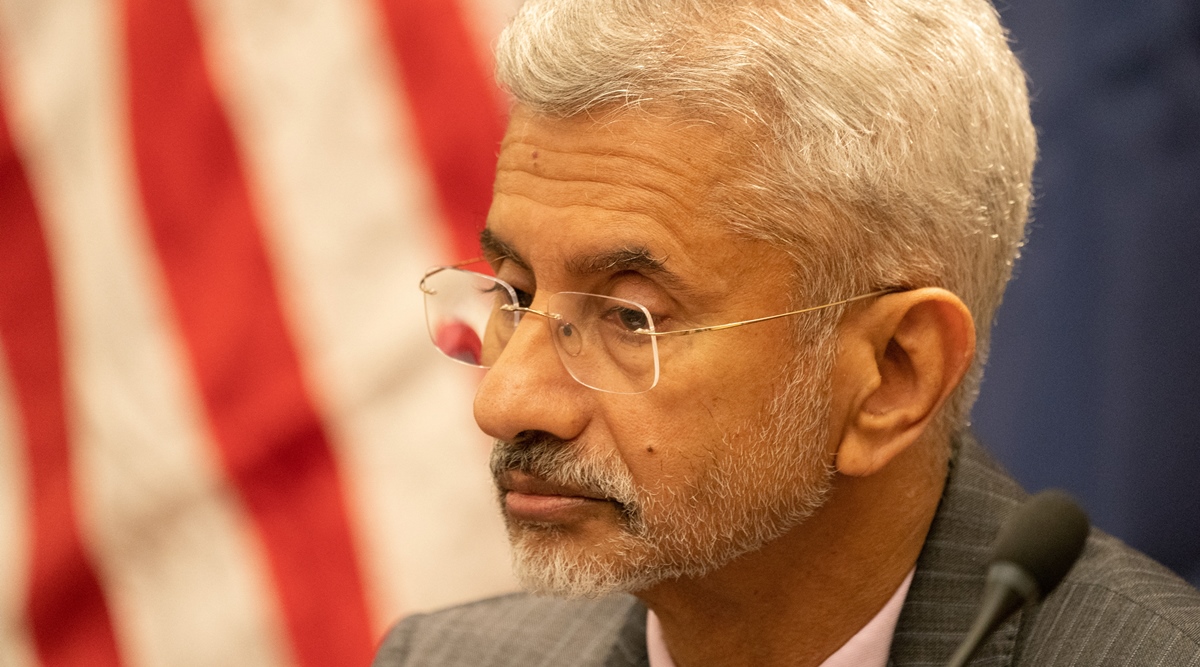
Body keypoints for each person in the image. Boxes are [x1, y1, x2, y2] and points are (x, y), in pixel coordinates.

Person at [375, 0, 1200, 665]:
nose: (505, 397)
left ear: (893, 373)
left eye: (630, 317)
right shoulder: (444, 656)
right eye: (515, 294)